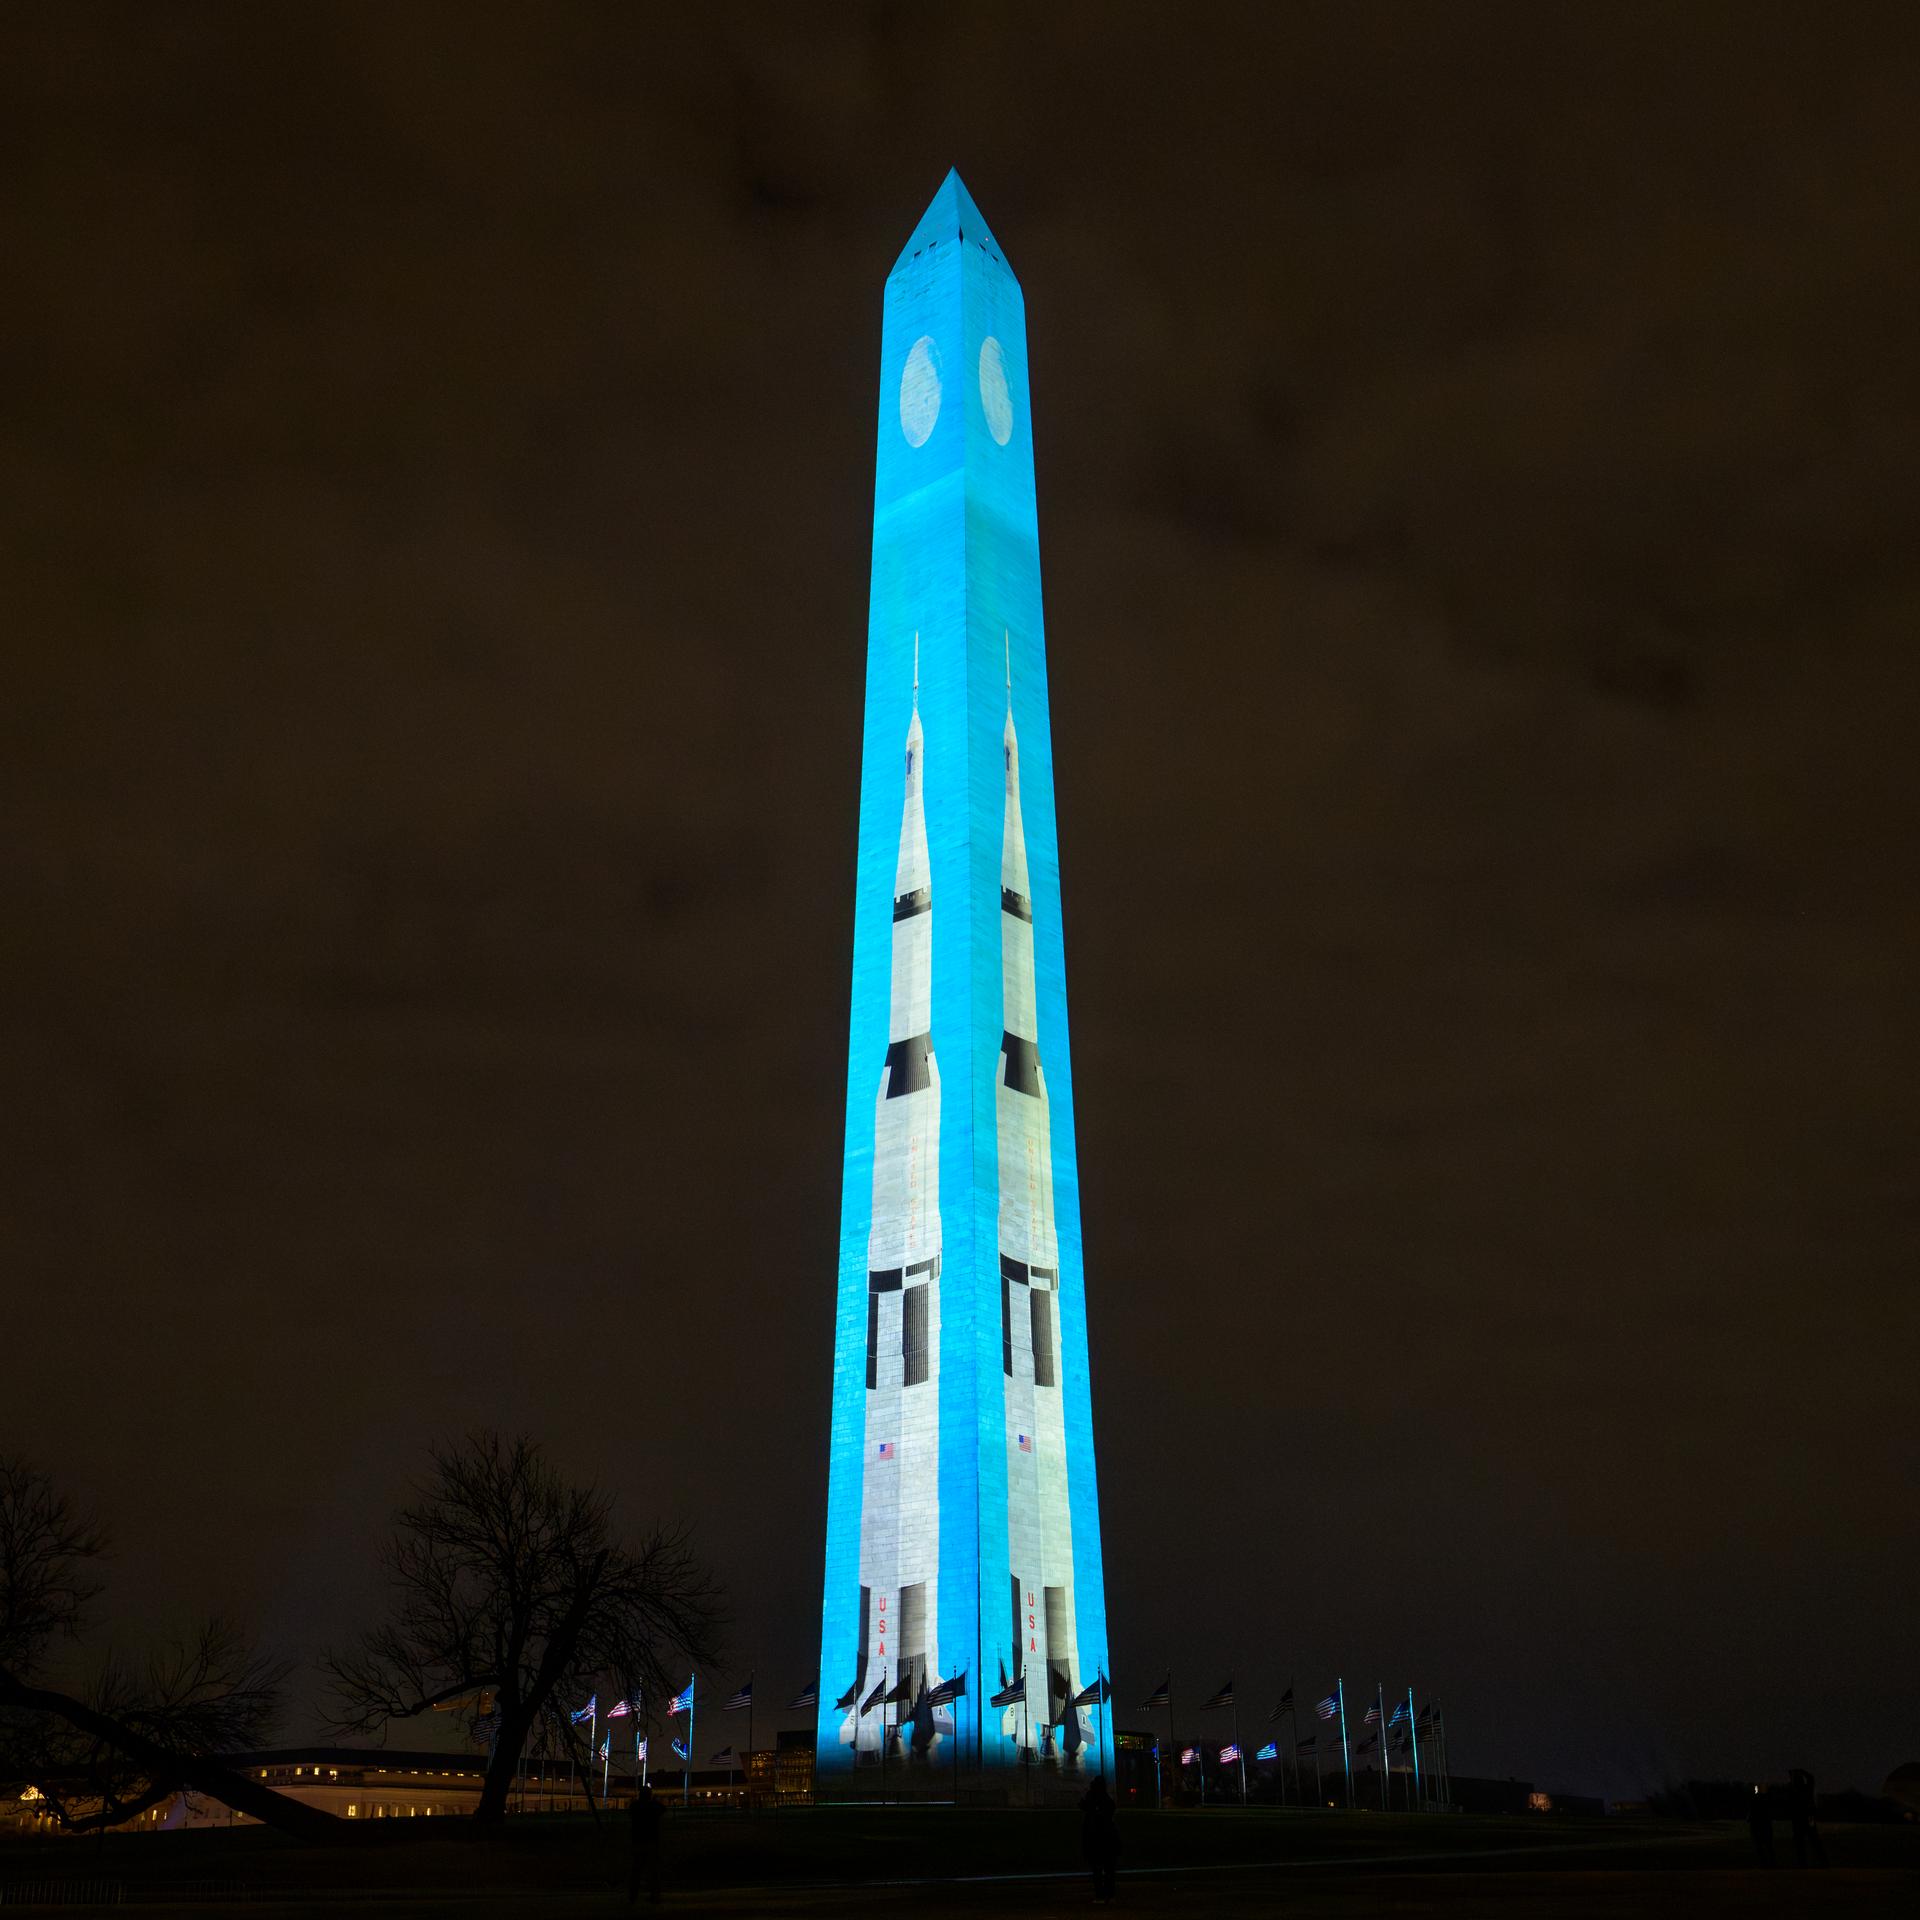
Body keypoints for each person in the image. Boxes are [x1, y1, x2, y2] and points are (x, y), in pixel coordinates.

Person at [1080, 1773, 1120, 1903]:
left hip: (1095, 1838)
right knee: (1109, 1870)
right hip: (1108, 1838)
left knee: (1097, 1869)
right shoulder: (1107, 1800)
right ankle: (1110, 1894)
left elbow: (1084, 1807)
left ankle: (1100, 1895)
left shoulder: (1092, 1798)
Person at [628, 1780, 664, 1906]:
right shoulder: (654, 1806)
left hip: (638, 1841)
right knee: (653, 1871)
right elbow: (663, 1809)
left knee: (636, 1871)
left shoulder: (635, 1806)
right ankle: (654, 1896)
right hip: (651, 1841)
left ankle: (633, 1896)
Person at [1787, 1769, 1827, 1868]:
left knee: (1804, 1842)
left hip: (1803, 1818)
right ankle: (1822, 1863)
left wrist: (1797, 1772)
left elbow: (1810, 1778)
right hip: (1806, 1818)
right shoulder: (1805, 1788)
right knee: (1811, 1841)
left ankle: (1806, 1864)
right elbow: (1810, 1778)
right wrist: (1800, 1772)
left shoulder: (1797, 1789)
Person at [1746, 1783, 1775, 1866]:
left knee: (1762, 1845)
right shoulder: (1763, 1799)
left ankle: (1766, 1862)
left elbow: (1752, 1813)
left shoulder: (1756, 1800)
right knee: (1766, 1845)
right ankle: (1769, 1862)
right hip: (1763, 1825)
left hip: (1759, 1825)